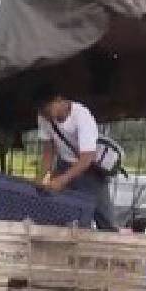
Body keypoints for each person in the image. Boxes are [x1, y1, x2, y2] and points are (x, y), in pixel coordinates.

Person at [33, 85, 117, 230]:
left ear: (58, 100)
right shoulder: (44, 117)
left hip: (89, 169)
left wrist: (61, 180)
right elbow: (49, 151)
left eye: (47, 109)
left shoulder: (81, 116)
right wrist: (42, 177)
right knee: (58, 209)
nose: (45, 115)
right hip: (64, 164)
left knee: (104, 218)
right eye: (42, 111)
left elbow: (87, 158)